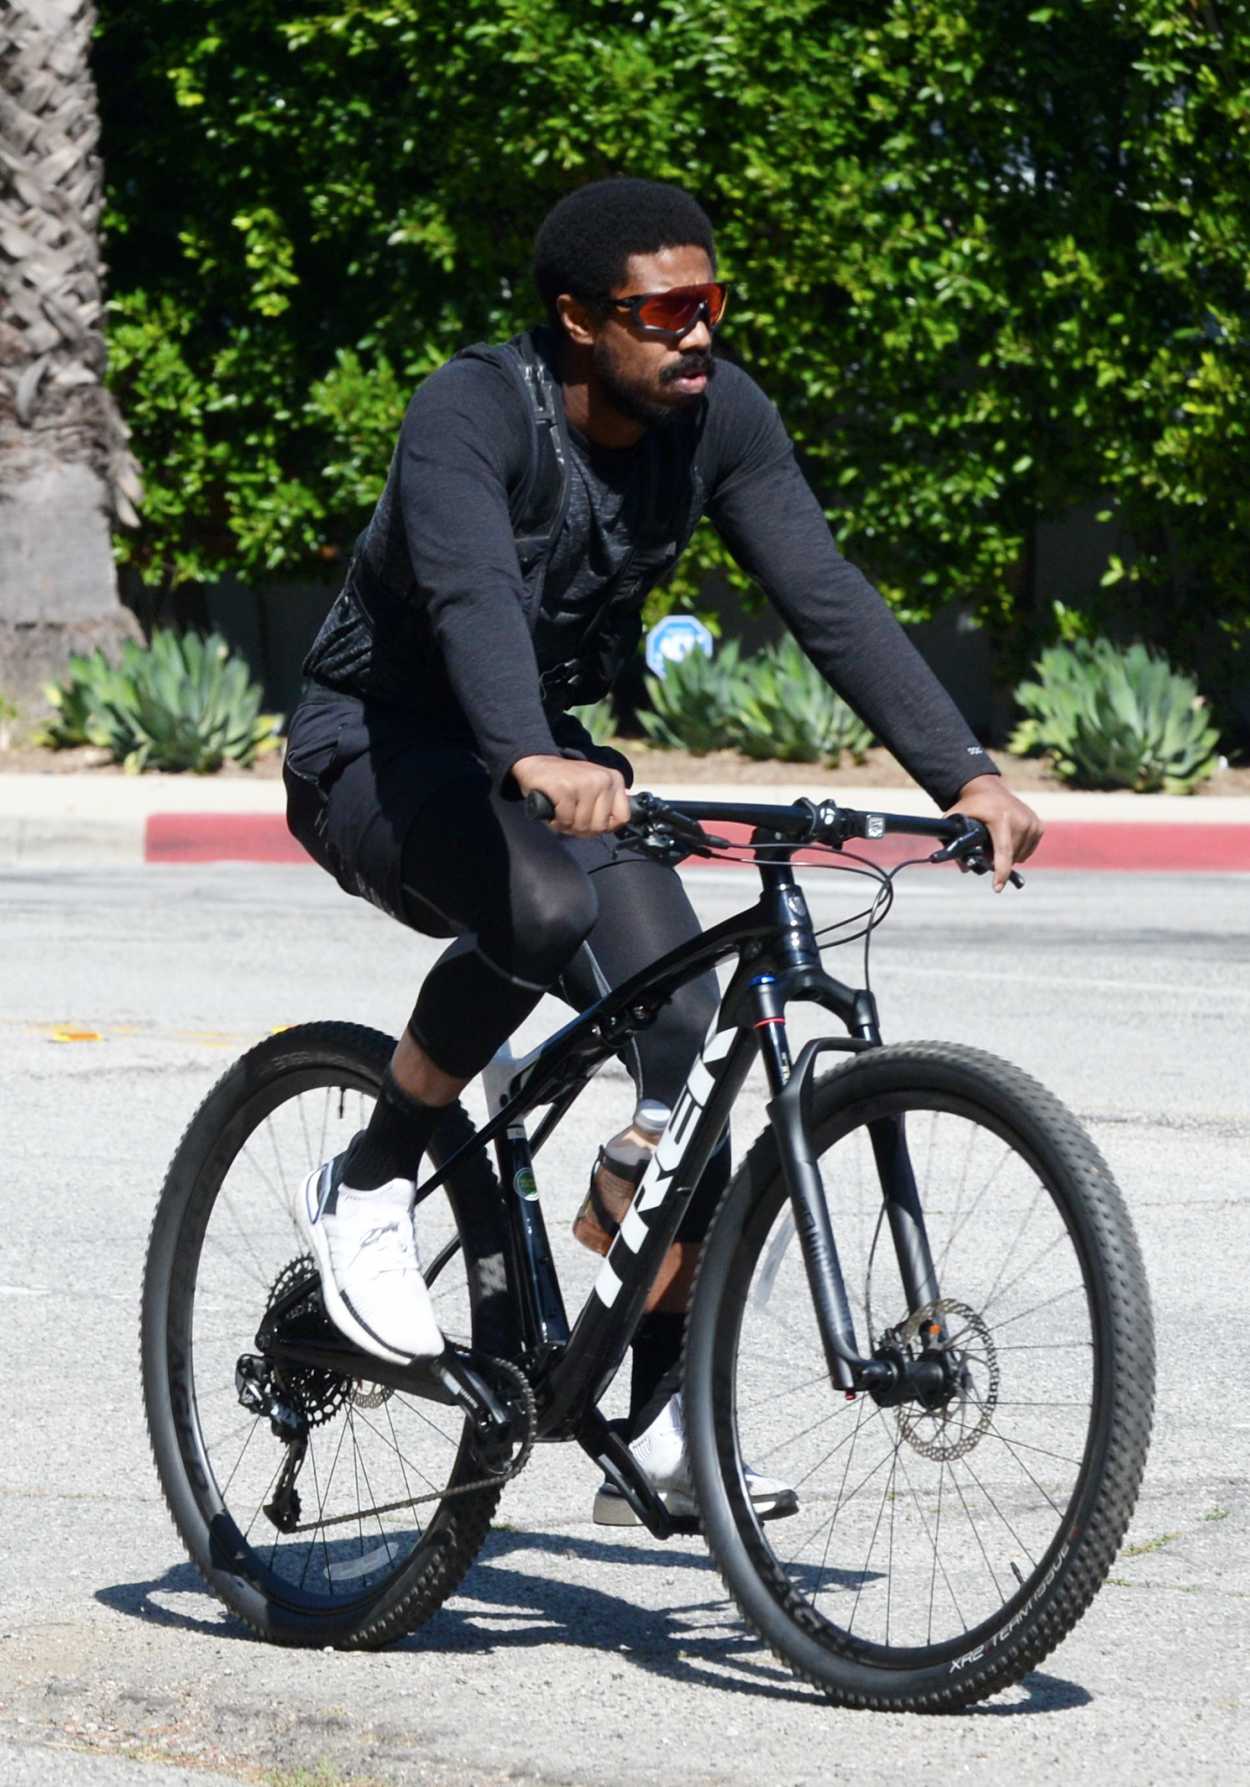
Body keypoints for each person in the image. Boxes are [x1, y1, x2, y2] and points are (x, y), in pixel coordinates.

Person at [284, 176, 1043, 1526]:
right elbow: (465, 596)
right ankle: (373, 1173)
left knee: (688, 1045)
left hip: (544, 757)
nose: (698, 335)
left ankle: (668, 1411)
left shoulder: (717, 421)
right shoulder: (471, 411)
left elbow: (823, 592)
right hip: (376, 743)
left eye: (711, 305)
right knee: (531, 904)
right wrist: (529, 754)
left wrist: (964, 772)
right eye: (666, 311)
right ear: (578, 320)